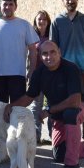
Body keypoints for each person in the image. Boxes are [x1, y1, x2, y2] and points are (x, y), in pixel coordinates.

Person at [3, 40, 84, 168]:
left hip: (78, 108)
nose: (49, 57)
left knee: (70, 114)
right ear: (41, 56)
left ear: (59, 52)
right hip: (57, 113)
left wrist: (49, 110)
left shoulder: (70, 68)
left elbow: (75, 101)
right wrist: (11, 106)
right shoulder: (39, 73)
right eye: (45, 54)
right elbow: (30, 97)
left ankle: (72, 165)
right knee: (59, 155)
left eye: (52, 52)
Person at [50, 0, 84, 138]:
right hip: (65, 71)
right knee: (66, 104)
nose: (70, 1)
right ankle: (66, 138)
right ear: (62, 0)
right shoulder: (57, 22)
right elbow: (53, 47)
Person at [0, 0, 38, 103]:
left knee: (17, 110)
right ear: (0, 6)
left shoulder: (24, 25)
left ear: (15, 7)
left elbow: (33, 50)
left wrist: (31, 71)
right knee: (1, 109)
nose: (7, 7)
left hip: (18, 74)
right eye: (5, 4)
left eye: (10, 4)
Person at [29, 10, 52, 143]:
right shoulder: (32, 36)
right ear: (35, 21)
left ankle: (53, 135)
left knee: (51, 105)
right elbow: (28, 57)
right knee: (35, 106)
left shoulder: (52, 36)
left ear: (48, 21)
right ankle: (35, 136)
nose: (42, 21)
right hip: (37, 75)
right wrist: (29, 73)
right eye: (39, 19)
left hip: (51, 75)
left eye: (44, 19)